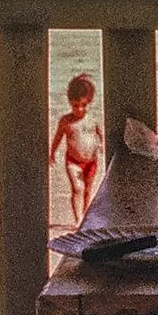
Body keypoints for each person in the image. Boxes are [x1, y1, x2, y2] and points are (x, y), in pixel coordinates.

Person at [50, 73, 104, 225]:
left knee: (87, 190)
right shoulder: (66, 121)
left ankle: (86, 218)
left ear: (90, 102)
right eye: (75, 105)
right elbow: (58, 137)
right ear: (69, 102)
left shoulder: (93, 119)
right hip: (73, 161)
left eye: (84, 105)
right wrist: (52, 152)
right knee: (77, 188)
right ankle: (77, 219)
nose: (79, 109)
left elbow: (101, 134)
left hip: (91, 161)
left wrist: (102, 146)